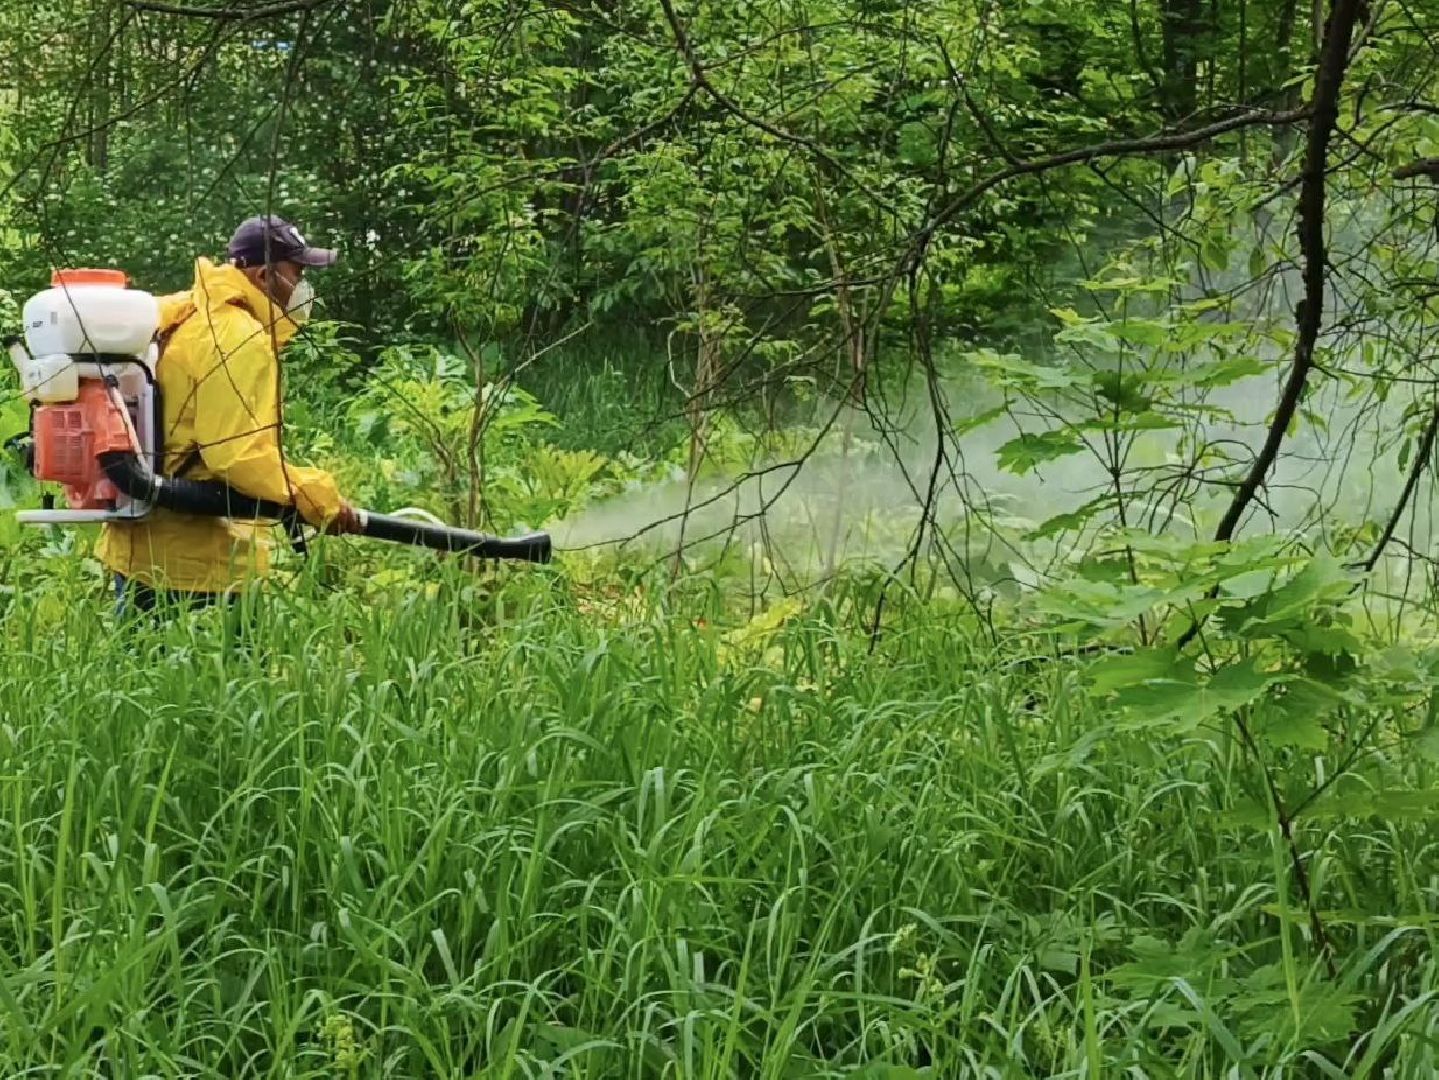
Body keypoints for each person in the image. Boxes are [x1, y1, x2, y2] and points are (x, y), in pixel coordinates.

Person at [96, 214, 361, 617]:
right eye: (299, 272)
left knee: (138, 675)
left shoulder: (184, 313)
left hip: (138, 550)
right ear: (264, 275)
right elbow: (237, 457)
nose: (304, 287)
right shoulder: (239, 338)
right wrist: (316, 496)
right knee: (220, 678)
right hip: (202, 565)